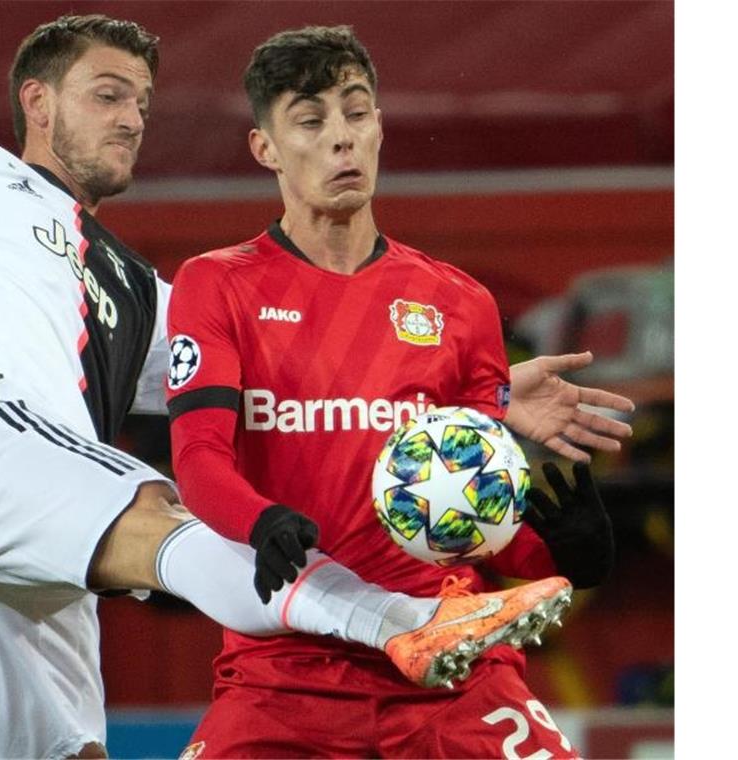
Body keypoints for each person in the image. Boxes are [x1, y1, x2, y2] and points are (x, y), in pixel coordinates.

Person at [0, 15, 625, 758]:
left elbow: (289, 395)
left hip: (25, 547)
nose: (131, 120)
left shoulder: (139, 286)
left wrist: (488, 411)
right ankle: (402, 622)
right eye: (108, 95)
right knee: (176, 516)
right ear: (36, 102)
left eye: (142, 106)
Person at [166, 25, 628, 758]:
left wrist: (560, 555)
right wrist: (260, 522)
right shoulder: (216, 284)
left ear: (380, 125)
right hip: (286, 675)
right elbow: (197, 460)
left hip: (455, 670)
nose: (342, 139)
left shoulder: (458, 302)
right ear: (266, 149)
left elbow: (468, 520)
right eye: (312, 121)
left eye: (357, 112)